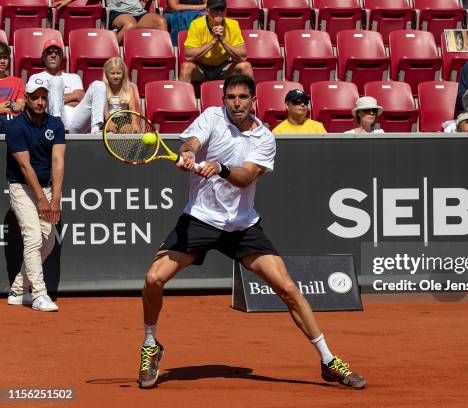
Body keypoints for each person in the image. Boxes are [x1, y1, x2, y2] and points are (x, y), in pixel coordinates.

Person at [138, 74, 365, 390]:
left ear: (254, 100)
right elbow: (191, 140)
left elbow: (246, 177)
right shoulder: (212, 117)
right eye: (230, 97)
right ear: (223, 99)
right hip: (200, 220)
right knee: (153, 279)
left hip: (242, 226)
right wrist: (189, 152)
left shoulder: (264, 138)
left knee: (287, 287)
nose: (236, 103)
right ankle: (150, 344)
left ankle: (328, 360)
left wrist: (220, 168)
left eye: (242, 97)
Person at [5, 77, 65, 312]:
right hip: (21, 187)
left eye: (44, 97)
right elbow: (25, 167)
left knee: (48, 243)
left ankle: (18, 290)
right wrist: (42, 200)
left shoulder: (56, 125)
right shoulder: (15, 127)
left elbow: (58, 161)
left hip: (47, 187)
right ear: (26, 98)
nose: (40, 102)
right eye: (35, 97)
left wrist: (55, 198)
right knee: (33, 238)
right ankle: (39, 294)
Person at [29, 39, 106, 134]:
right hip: (52, 119)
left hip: (76, 117)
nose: (53, 55)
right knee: (56, 80)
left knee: (98, 85)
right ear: (44, 57)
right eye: (49, 52)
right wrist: (73, 96)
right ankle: (56, 124)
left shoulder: (74, 77)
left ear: (61, 57)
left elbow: (81, 99)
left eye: (57, 53)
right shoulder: (36, 78)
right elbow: (38, 102)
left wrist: (57, 99)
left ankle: (96, 129)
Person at [179, 0, 253, 84]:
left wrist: (222, 40)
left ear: (226, 11)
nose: (219, 12)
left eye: (222, 9)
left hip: (223, 67)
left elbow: (242, 57)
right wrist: (213, 41)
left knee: (245, 66)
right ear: (207, 11)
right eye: (215, 9)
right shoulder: (196, 25)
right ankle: (184, 96)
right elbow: (188, 56)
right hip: (201, 67)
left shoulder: (233, 25)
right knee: (186, 67)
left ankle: (250, 96)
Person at [102, 57, 140, 132]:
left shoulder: (129, 88)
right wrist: (109, 122)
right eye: (112, 73)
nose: (116, 76)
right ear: (106, 74)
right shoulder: (103, 87)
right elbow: (104, 108)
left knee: (128, 129)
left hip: (123, 119)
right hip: (107, 118)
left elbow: (132, 107)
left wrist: (134, 123)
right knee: (110, 129)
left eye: (119, 73)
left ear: (123, 74)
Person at [0, 41, 25, 133]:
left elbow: (20, 107)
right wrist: (9, 105)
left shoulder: (17, 81)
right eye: (0, 57)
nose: (2, 61)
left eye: (5, 58)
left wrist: (9, 106)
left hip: (10, 119)